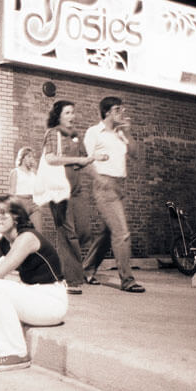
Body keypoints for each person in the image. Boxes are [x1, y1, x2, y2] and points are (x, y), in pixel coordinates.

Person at [0, 195, 68, 371]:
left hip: (52, 301)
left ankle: (16, 353)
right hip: (33, 296)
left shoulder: (27, 238)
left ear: (17, 217)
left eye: (3, 212)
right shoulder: (5, 241)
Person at [43, 100, 108, 295]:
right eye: (68, 112)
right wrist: (77, 160)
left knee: (84, 231)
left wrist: (98, 177)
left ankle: (65, 271)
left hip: (77, 191)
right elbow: (50, 159)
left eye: (73, 112)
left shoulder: (76, 136)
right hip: (58, 191)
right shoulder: (53, 133)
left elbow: (84, 163)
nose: (72, 116)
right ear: (59, 116)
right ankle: (71, 279)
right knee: (67, 233)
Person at [82, 96, 145, 293]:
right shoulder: (94, 132)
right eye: (118, 110)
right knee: (122, 233)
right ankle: (127, 280)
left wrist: (127, 132)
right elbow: (86, 160)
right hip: (105, 185)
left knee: (106, 233)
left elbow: (135, 154)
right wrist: (98, 178)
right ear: (107, 112)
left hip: (120, 185)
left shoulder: (120, 133)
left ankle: (86, 269)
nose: (122, 114)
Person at [8, 146, 43, 230]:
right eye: (29, 156)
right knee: (20, 231)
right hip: (20, 202)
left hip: (33, 203)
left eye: (33, 157)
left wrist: (35, 169)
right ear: (22, 158)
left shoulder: (33, 172)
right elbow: (12, 191)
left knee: (38, 232)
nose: (32, 159)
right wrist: (11, 208)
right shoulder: (15, 172)